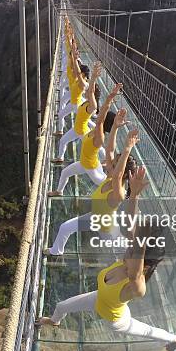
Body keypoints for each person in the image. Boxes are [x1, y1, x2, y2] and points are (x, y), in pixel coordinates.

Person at [37, 166, 176, 351]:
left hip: (116, 321)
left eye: (133, 253)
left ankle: (174, 339)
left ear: (143, 264)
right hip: (99, 299)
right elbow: (131, 227)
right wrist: (135, 196)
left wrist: (143, 240)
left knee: (146, 330)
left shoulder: (137, 286)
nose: (127, 252)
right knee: (60, 306)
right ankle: (54, 321)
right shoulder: (130, 257)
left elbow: (137, 268)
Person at [45, 109, 137, 256]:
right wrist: (114, 127)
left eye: (116, 163)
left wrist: (127, 149)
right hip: (93, 217)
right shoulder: (110, 177)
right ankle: (56, 251)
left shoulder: (118, 192)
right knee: (65, 227)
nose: (111, 163)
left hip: (109, 232)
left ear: (124, 173)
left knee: (121, 255)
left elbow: (119, 174)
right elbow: (110, 151)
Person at [48, 83, 122, 196]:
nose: (98, 118)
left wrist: (109, 100)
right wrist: (110, 97)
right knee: (65, 172)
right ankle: (59, 191)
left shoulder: (99, 135)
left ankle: (121, 194)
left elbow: (100, 119)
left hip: (91, 169)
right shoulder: (95, 131)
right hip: (86, 163)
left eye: (101, 119)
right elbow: (101, 115)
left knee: (105, 183)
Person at [53, 61, 102, 163]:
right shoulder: (86, 102)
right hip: (76, 128)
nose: (86, 93)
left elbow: (91, 91)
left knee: (94, 146)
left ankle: (105, 157)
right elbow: (76, 71)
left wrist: (93, 76)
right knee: (63, 140)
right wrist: (73, 58)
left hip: (82, 131)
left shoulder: (83, 84)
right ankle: (60, 158)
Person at [55, 36, 87, 135]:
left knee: (85, 120)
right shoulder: (71, 61)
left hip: (74, 99)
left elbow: (76, 70)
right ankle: (60, 130)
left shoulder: (77, 72)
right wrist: (73, 49)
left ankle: (98, 122)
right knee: (62, 111)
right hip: (72, 92)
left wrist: (74, 56)